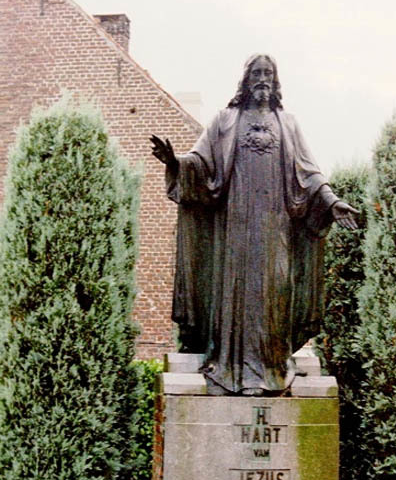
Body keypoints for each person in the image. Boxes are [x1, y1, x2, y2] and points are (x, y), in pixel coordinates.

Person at [151, 54, 358, 396]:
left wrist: (332, 202)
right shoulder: (225, 120)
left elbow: (309, 173)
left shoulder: (287, 123)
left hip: (277, 230)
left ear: (276, 82)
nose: (263, 79)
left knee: (276, 292)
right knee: (236, 294)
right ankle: (233, 369)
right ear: (246, 80)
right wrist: (175, 162)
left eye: (268, 74)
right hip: (235, 228)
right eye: (256, 73)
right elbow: (201, 162)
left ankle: (272, 368)